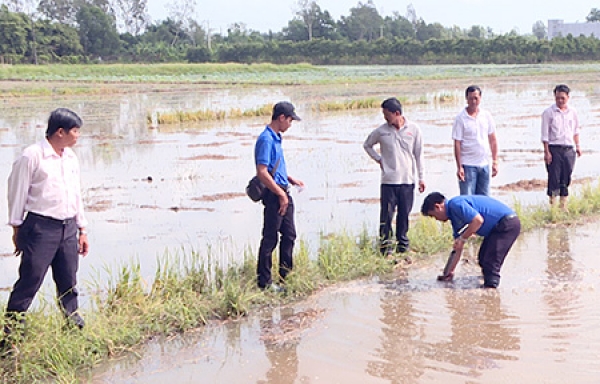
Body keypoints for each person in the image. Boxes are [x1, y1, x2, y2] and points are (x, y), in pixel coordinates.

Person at [4, 108, 89, 337]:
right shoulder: (32, 156)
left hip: (68, 227)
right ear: (60, 132)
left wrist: (82, 229)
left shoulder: (70, 158)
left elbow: (75, 195)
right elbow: (17, 191)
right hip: (41, 227)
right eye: (75, 131)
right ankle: (11, 333)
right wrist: (16, 227)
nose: (78, 136)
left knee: (68, 279)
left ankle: (73, 327)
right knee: (31, 279)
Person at [364, 97, 425, 256]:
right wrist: (379, 159)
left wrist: (421, 177)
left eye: (387, 115)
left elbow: (419, 155)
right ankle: (385, 248)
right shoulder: (381, 131)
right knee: (386, 216)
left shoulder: (414, 129)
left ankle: (403, 246)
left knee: (404, 215)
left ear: (397, 113)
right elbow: (367, 145)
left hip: (407, 180)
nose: (385, 118)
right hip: (389, 181)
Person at [421, 192, 520, 288]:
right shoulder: (454, 217)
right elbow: (458, 248)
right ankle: (488, 284)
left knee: (490, 263)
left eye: (433, 216)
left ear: (438, 207)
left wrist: (463, 238)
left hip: (507, 224)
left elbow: (478, 220)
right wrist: (449, 272)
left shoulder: (456, 204)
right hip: (495, 229)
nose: (436, 219)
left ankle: (491, 294)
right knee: (483, 258)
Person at [254, 101, 304, 292]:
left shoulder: (276, 137)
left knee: (289, 234)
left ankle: (286, 276)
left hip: (283, 190)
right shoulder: (266, 139)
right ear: (281, 117)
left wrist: (290, 179)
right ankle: (264, 283)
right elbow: (262, 172)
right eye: (290, 120)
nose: (290, 124)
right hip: (275, 195)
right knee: (270, 238)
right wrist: (281, 194)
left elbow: (275, 167)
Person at [452, 85, 498, 196]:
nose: (473, 101)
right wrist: (459, 167)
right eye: (471, 98)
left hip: (484, 165)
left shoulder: (486, 116)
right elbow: (457, 144)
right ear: (466, 99)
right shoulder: (460, 118)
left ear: (480, 98)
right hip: (468, 165)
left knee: (484, 201)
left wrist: (495, 161)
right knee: (468, 200)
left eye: (476, 98)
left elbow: (493, 139)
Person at [541, 84, 581, 209]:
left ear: (568, 97)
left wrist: (578, 146)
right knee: (554, 177)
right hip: (554, 149)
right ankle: (553, 207)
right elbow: (545, 135)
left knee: (566, 177)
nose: (560, 101)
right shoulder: (548, 113)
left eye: (562, 98)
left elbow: (575, 130)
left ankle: (563, 206)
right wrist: (547, 152)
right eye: (557, 98)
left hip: (569, 149)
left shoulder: (573, 112)